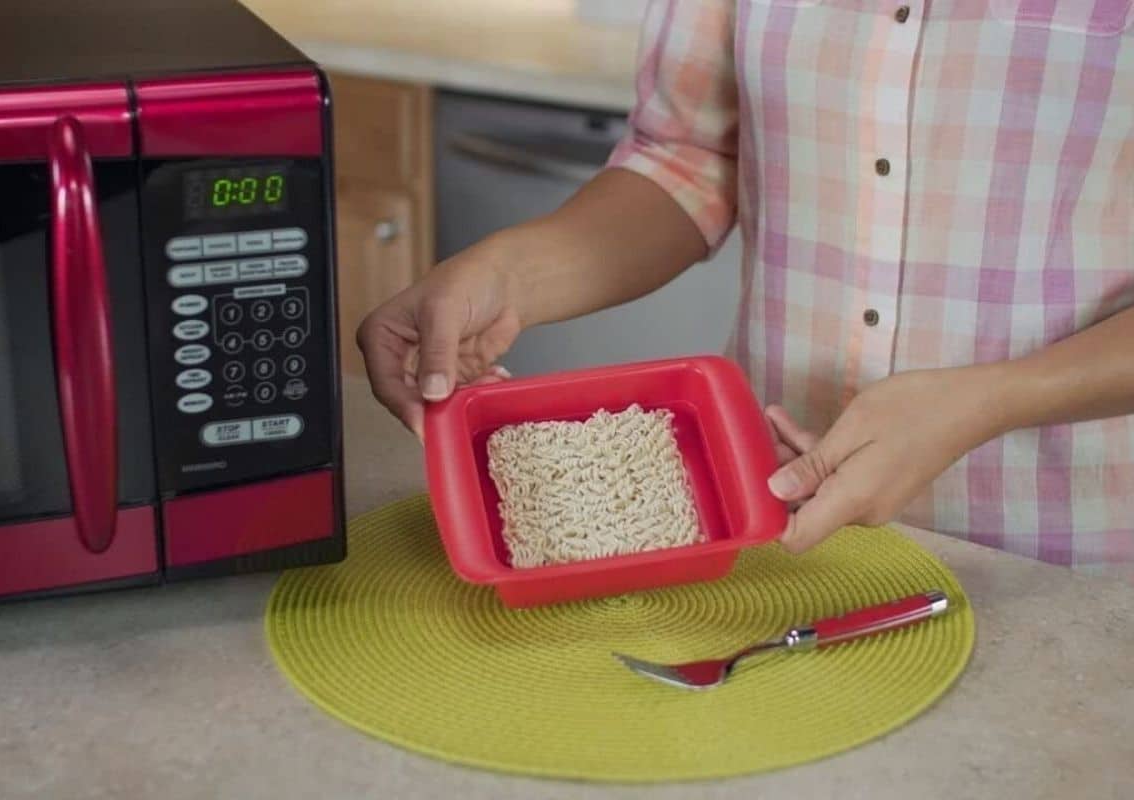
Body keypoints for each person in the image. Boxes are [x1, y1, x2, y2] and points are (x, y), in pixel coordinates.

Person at [356, 0, 1134, 581]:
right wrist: (507, 274)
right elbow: (691, 155)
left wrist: (989, 400)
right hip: (774, 532)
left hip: (1060, 564)